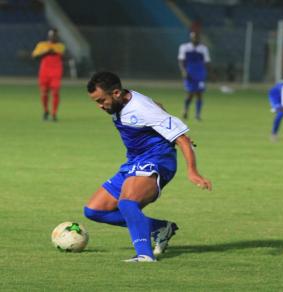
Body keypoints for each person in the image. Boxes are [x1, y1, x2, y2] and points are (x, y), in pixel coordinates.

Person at [83, 72, 212, 262]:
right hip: (135, 161)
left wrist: (192, 172)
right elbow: (158, 107)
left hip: (157, 159)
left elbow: (182, 139)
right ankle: (159, 227)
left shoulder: (141, 108)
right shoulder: (125, 102)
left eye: (102, 100)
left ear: (117, 93)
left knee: (127, 203)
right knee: (94, 211)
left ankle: (144, 255)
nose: (100, 106)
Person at [32, 28, 65, 121]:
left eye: (55, 35)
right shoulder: (42, 45)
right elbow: (34, 56)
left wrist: (53, 52)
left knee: (55, 92)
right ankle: (46, 110)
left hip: (56, 72)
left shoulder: (60, 46)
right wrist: (46, 52)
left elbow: (62, 55)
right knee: (44, 92)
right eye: (52, 35)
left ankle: (54, 113)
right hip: (44, 71)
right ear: (49, 35)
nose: (54, 37)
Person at [178, 31, 211, 121]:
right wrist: (183, 71)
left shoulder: (203, 48)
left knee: (199, 94)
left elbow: (207, 62)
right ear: (191, 37)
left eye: (197, 37)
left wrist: (209, 73)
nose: (195, 38)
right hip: (190, 73)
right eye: (194, 37)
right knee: (190, 94)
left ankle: (197, 115)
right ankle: (185, 109)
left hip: (200, 73)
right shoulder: (184, 47)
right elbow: (181, 61)